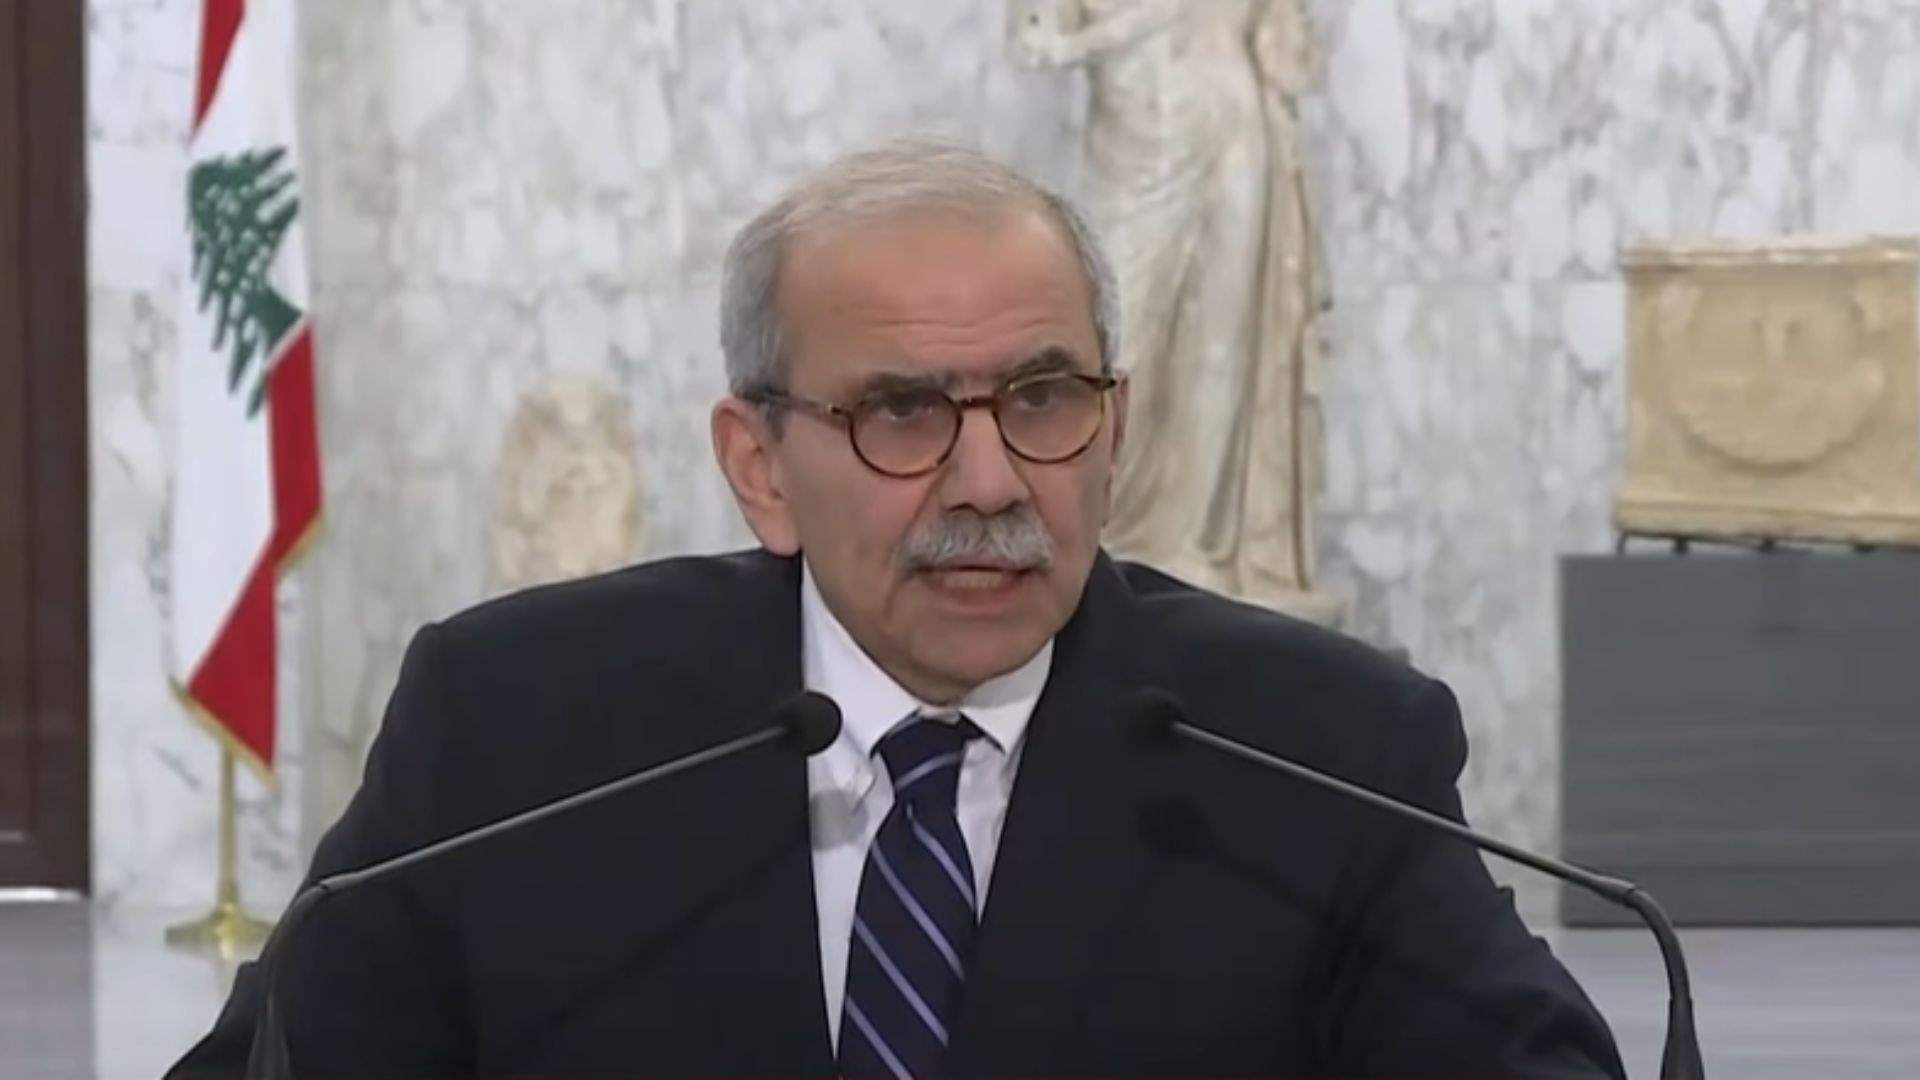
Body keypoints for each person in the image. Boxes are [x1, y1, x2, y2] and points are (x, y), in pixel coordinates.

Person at [170, 142, 1623, 1079]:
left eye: (1043, 399)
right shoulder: (517, 730)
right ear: (760, 468)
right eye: (902, 414)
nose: (989, 481)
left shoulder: (1320, 750)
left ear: (1113, 427)